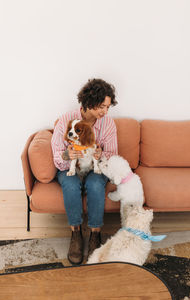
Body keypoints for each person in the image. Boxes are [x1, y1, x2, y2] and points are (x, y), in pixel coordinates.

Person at [51, 78, 118, 264]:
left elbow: (113, 155)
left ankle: (95, 234)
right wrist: (67, 155)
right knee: (71, 185)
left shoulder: (108, 124)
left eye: (107, 107)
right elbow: (56, 153)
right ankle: (76, 234)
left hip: (95, 165)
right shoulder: (66, 120)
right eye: (101, 107)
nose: (105, 112)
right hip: (70, 167)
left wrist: (101, 153)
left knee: (96, 184)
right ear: (89, 103)